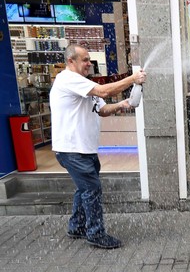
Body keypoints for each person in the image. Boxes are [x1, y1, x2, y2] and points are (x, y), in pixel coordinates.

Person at [50, 44, 147, 249]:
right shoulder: (68, 79)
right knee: (92, 189)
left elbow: (101, 109)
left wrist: (122, 104)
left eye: (89, 59)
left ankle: (77, 226)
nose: (89, 63)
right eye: (84, 59)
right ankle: (95, 233)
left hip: (85, 149)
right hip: (72, 149)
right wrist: (132, 78)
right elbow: (104, 92)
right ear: (71, 61)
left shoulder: (83, 83)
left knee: (84, 189)